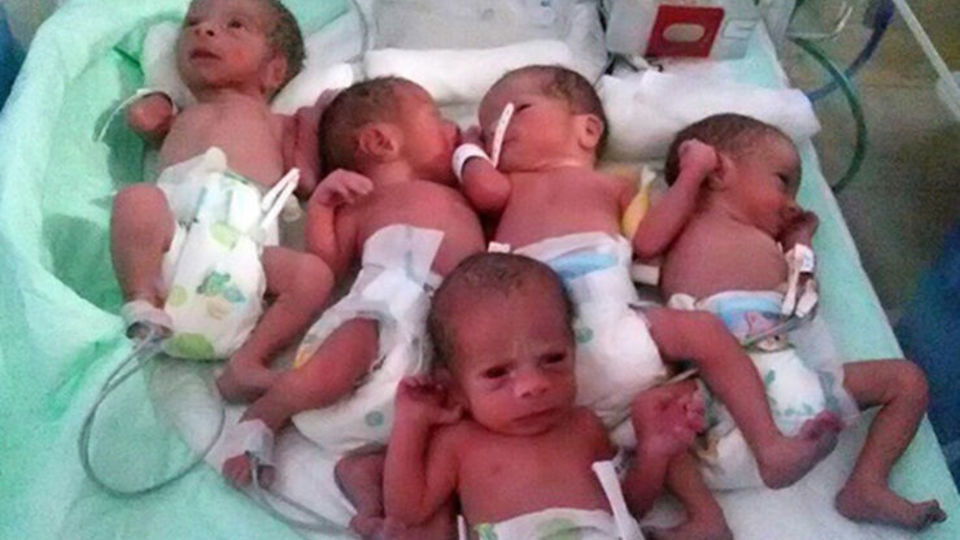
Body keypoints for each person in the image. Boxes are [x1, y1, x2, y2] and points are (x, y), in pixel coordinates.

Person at [656, 113, 946, 531]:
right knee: (649, 419)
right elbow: (645, 242)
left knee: (908, 380)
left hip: (800, 390)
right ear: (718, 172)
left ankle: (866, 484)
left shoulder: (767, 245)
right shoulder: (684, 223)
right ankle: (705, 515)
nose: (793, 203)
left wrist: (800, 246)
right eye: (782, 181)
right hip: (721, 404)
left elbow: (803, 306)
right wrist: (690, 172)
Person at [220, 78, 486, 503]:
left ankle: (368, 480)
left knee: (474, 408)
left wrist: (475, 156)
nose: (453, 128)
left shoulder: (463, 189)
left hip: (449, 331)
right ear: (380, 141)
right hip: (383, 307)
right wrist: (322, 208)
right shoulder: (365, 202)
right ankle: (266, 413)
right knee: (353, 346)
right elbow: (327, 268)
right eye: (438, 119)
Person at [384, 252, 706, 538]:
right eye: (497, 373)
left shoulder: (583, 426)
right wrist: (410, 424)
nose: (534, 384)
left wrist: (653, 453)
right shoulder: (459, 442)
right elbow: (407, 511)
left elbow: (629, 508)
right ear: (455, 389)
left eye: (553, 359)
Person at [112, 0, 331, 398]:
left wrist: (314, 121)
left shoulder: (279, 123)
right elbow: (142, 121)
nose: (204, 30)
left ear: (274, 70)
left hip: (247, 250)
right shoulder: (178, 112)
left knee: (313, 276)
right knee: (136, 201)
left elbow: (306, 178)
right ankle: (141, 299)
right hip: (173, 234)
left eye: (235, 25)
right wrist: (152, 106)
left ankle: (249, 360)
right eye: (193, 23)